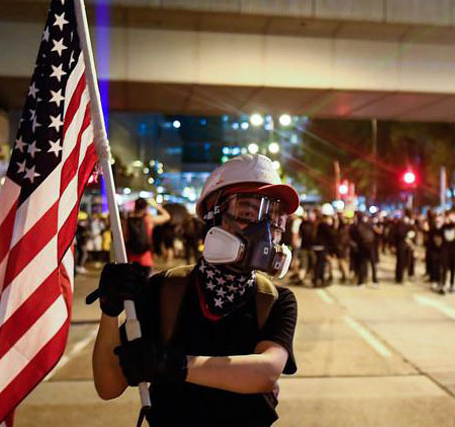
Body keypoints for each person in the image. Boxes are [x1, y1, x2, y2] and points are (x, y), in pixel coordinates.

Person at [89, 154, 298, 427]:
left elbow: (266, 371)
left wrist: (175, 365)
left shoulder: (274, 300)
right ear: (212, 214)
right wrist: (110, 310)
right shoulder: (165, 290)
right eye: (249, 213)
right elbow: (108, 386)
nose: (265, 232)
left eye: (274, 219)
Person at [125, 197, 171, 278]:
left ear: (135, 206)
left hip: (131, 258)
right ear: (146, 208)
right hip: (146, 259)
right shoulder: (149, 219)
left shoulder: (127, 220)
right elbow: (167, 216)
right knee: (145, 285)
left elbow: (125, 237)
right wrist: (157, 206)